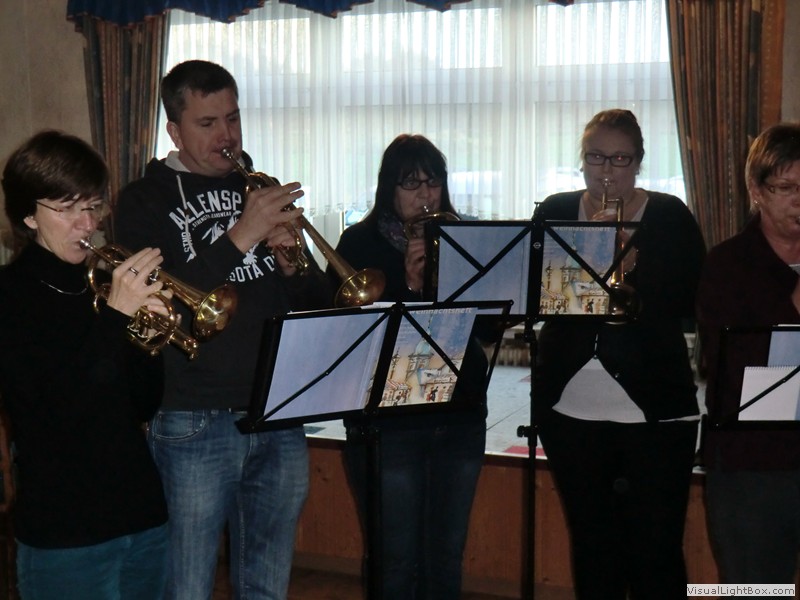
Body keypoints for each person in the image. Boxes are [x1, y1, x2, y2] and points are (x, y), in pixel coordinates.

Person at [113, 60, 331, 599]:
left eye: (232, 118)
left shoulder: (258, 188)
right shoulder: (143, 200)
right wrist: (241, 235)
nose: (226, 135)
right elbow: (160, 305)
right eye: (207, 123)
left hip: (276, 410)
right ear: (174, 131)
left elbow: (314, 302)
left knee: (268, 586)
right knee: (187, 586)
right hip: (193, 416)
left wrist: (292, 264)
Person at [532, 109, 706, 599]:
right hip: (569, 405)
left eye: (620, 159)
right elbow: (537, 295)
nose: (606, 170)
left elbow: (691, 301)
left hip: (656, 406)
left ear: (638, 162)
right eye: (595, 158)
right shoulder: (555, 210)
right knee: (593, 545)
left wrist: (631, 262)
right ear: (582, 159)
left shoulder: (669, 215)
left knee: (656, 550)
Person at [0, 130, 169, 599]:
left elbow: (142, 405)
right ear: (29, 214)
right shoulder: (11, 296)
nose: (88, 224)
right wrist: (116, 319)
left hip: (142, 517)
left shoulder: (101, 287)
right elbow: (53, 411)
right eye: (68, 208)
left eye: (94, 206)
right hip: (66, 532)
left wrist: (147, 341)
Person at [331, 133, 493, 599]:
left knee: (446, 556)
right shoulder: (358, 243)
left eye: (433, 182)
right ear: (389, 188)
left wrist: (447, 285)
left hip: (459, 413)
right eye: (411, 184)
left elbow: (487, 330)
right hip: (387, 422)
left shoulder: (465, 238)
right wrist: (409, 285)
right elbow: (343, 335)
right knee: (395, 559)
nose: (425, 195)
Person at [696, 123, 800, 587]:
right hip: (752, 466)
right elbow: (732, 370)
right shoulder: (727, 265)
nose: (799, 200)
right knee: (756, 589)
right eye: (786, 188)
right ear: (756, 191)